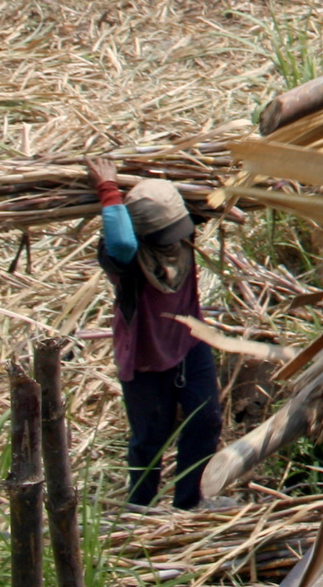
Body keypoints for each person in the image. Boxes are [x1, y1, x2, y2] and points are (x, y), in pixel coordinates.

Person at [94, 160, 224, 510]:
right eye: (168, 234)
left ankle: (189, 502)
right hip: (146, 359)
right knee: (150, 440)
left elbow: (215, 202)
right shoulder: (125, 258)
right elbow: (120, 237)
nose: (178, 239)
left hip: (190, 346)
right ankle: (140, 509)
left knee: (206, 420)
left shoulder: (182, 235)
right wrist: (108, 187)